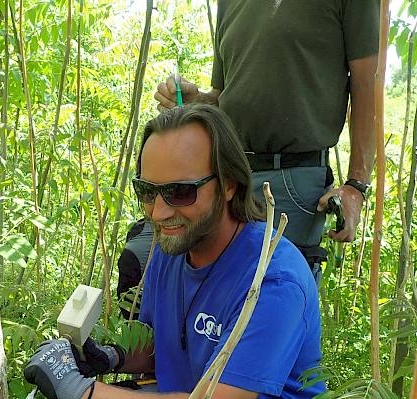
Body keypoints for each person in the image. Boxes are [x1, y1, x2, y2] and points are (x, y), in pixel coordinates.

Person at [25, 105, 325, 399]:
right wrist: (111, 357)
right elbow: (167, 347)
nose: (158, 213)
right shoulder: (174, 247)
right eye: (146, 191)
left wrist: (80, 391)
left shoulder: (273, 281)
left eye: (180, 192)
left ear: (229, 185)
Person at [155, 1, 379, 277]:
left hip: (293, 179)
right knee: (210, 296)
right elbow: (222, 95)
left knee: (274, 300)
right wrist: (198, 102)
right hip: (227, 177)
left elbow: (369, 83)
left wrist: (356, 185)